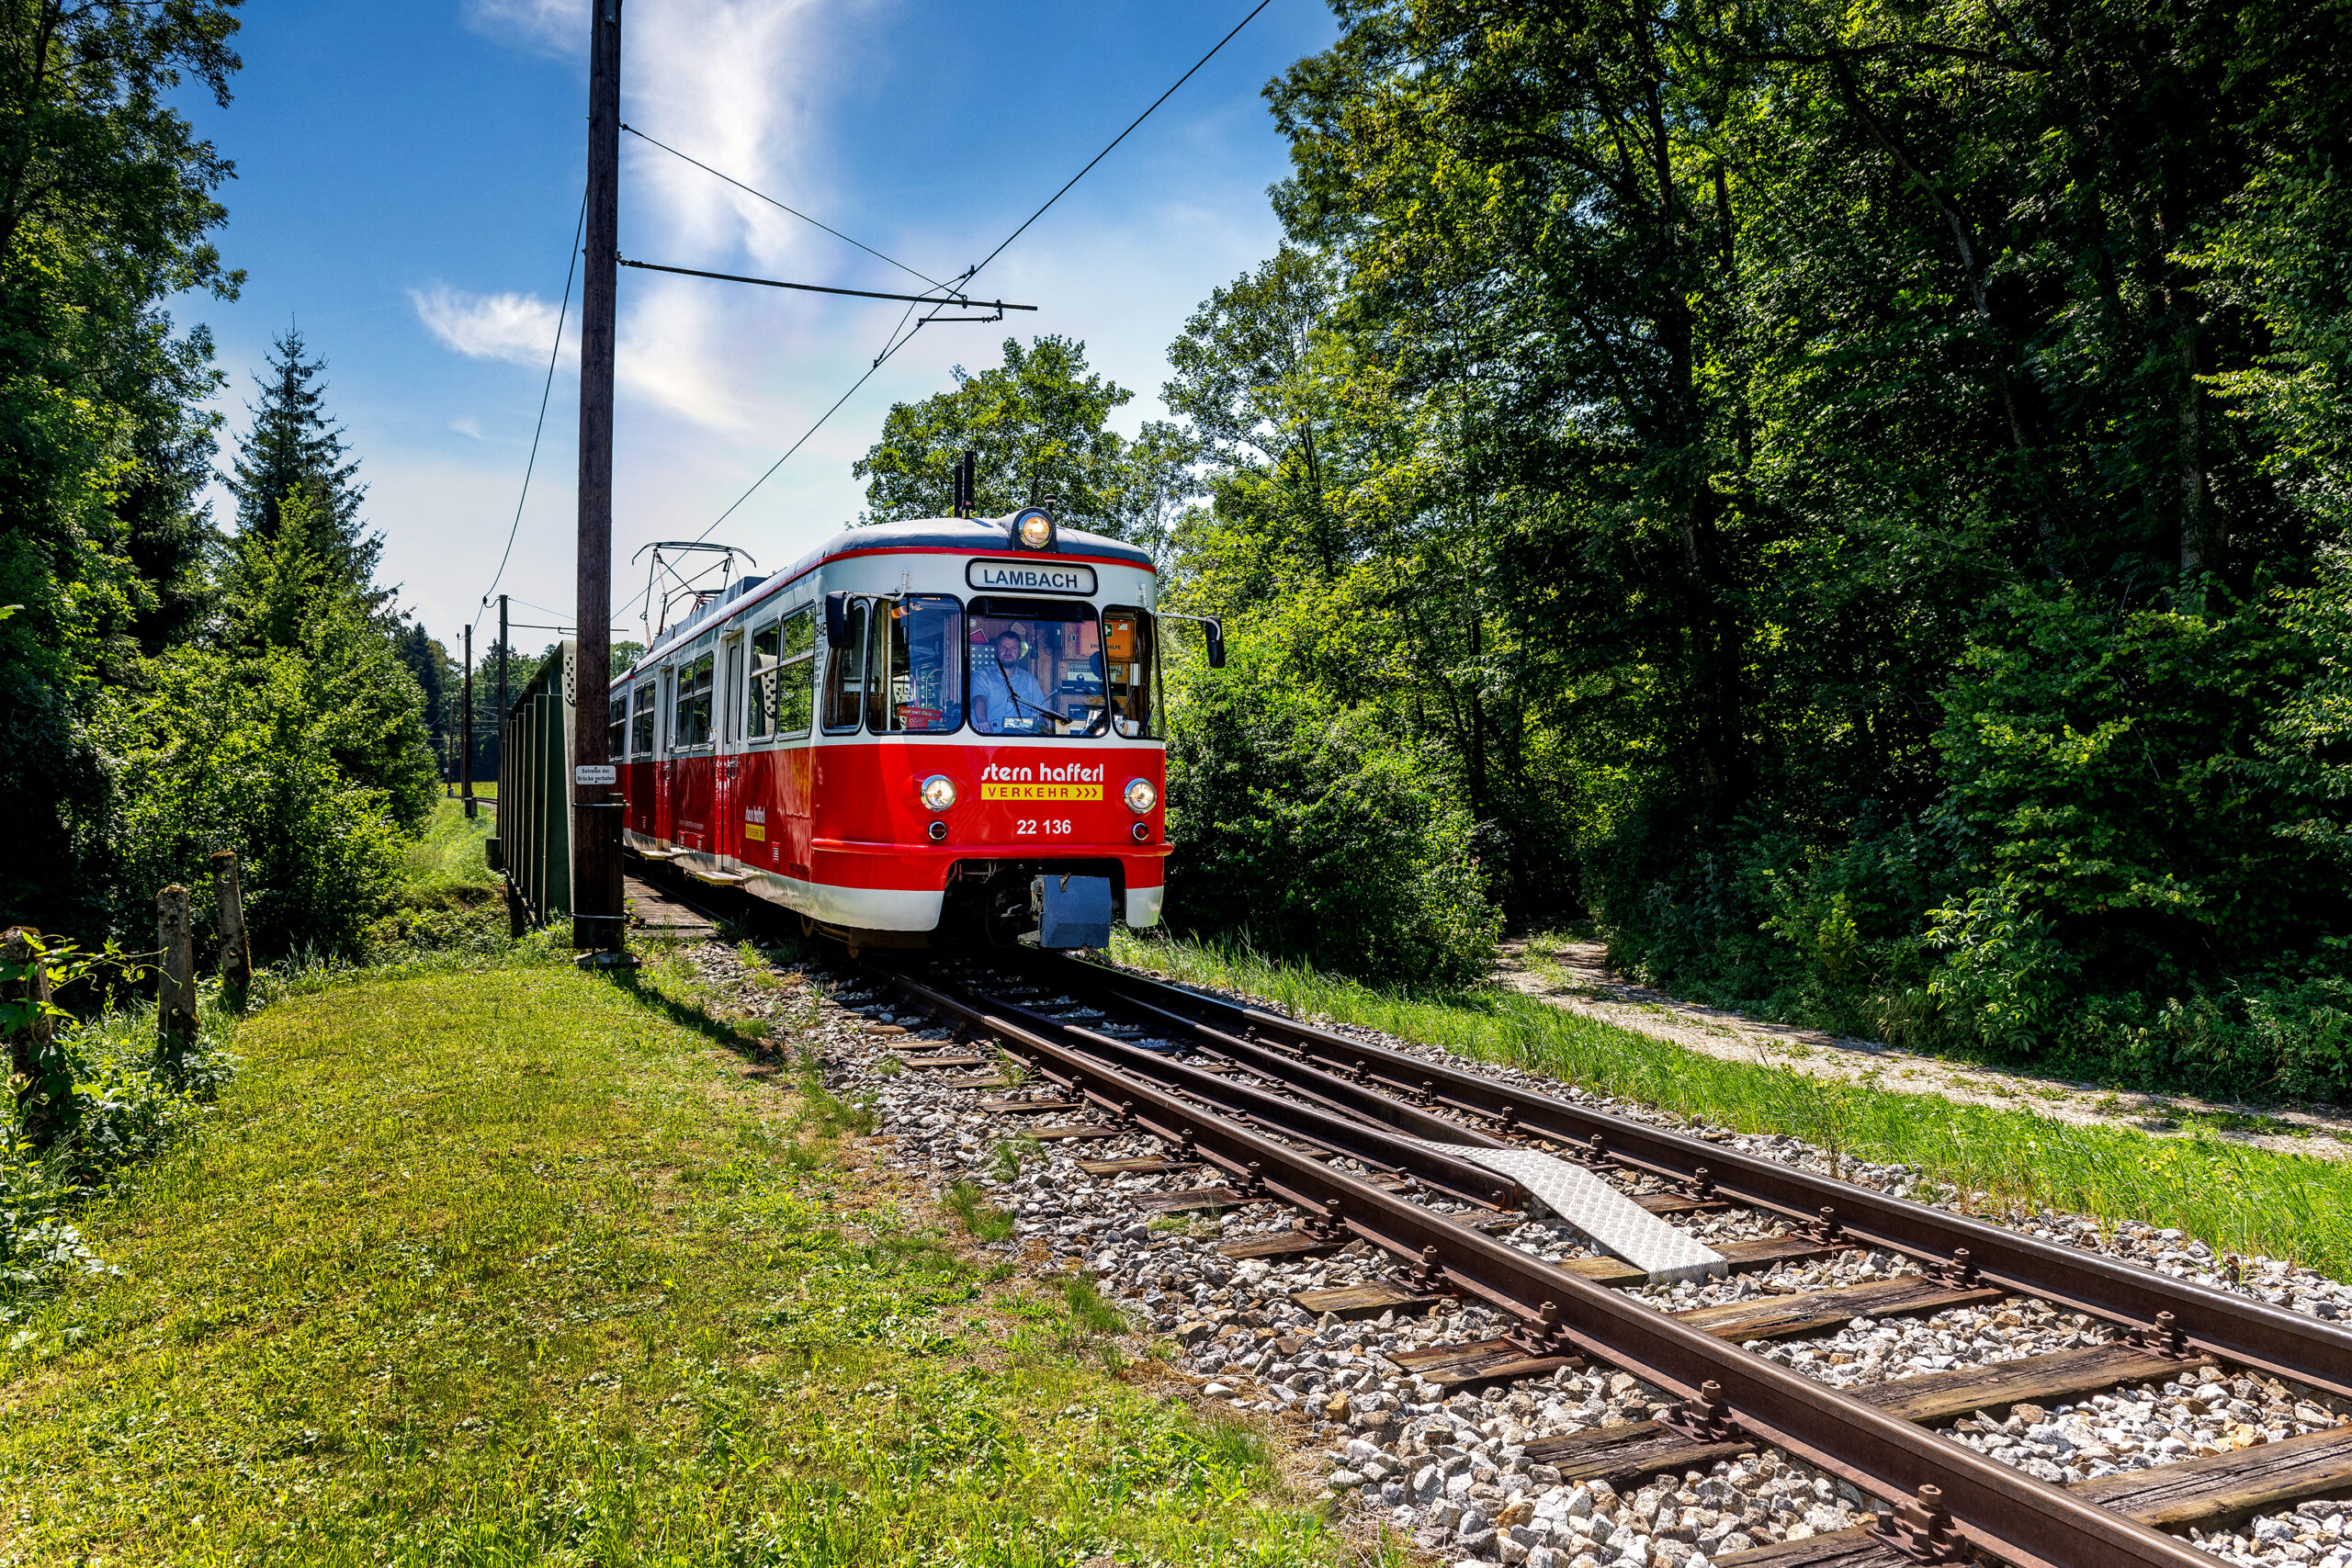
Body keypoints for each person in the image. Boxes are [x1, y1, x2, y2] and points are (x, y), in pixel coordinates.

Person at [972, 629, 1052, 733]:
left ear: (1020, 652)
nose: (1008, 652)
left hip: (1018, 742)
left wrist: (1024, 725)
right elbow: (979, 699)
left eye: (1013, 648)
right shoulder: (981, 676)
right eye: (1003, 648)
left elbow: (1041, 715)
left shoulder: (1029, 681)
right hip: (988, 739)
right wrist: (983, 721)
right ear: (996, 651)